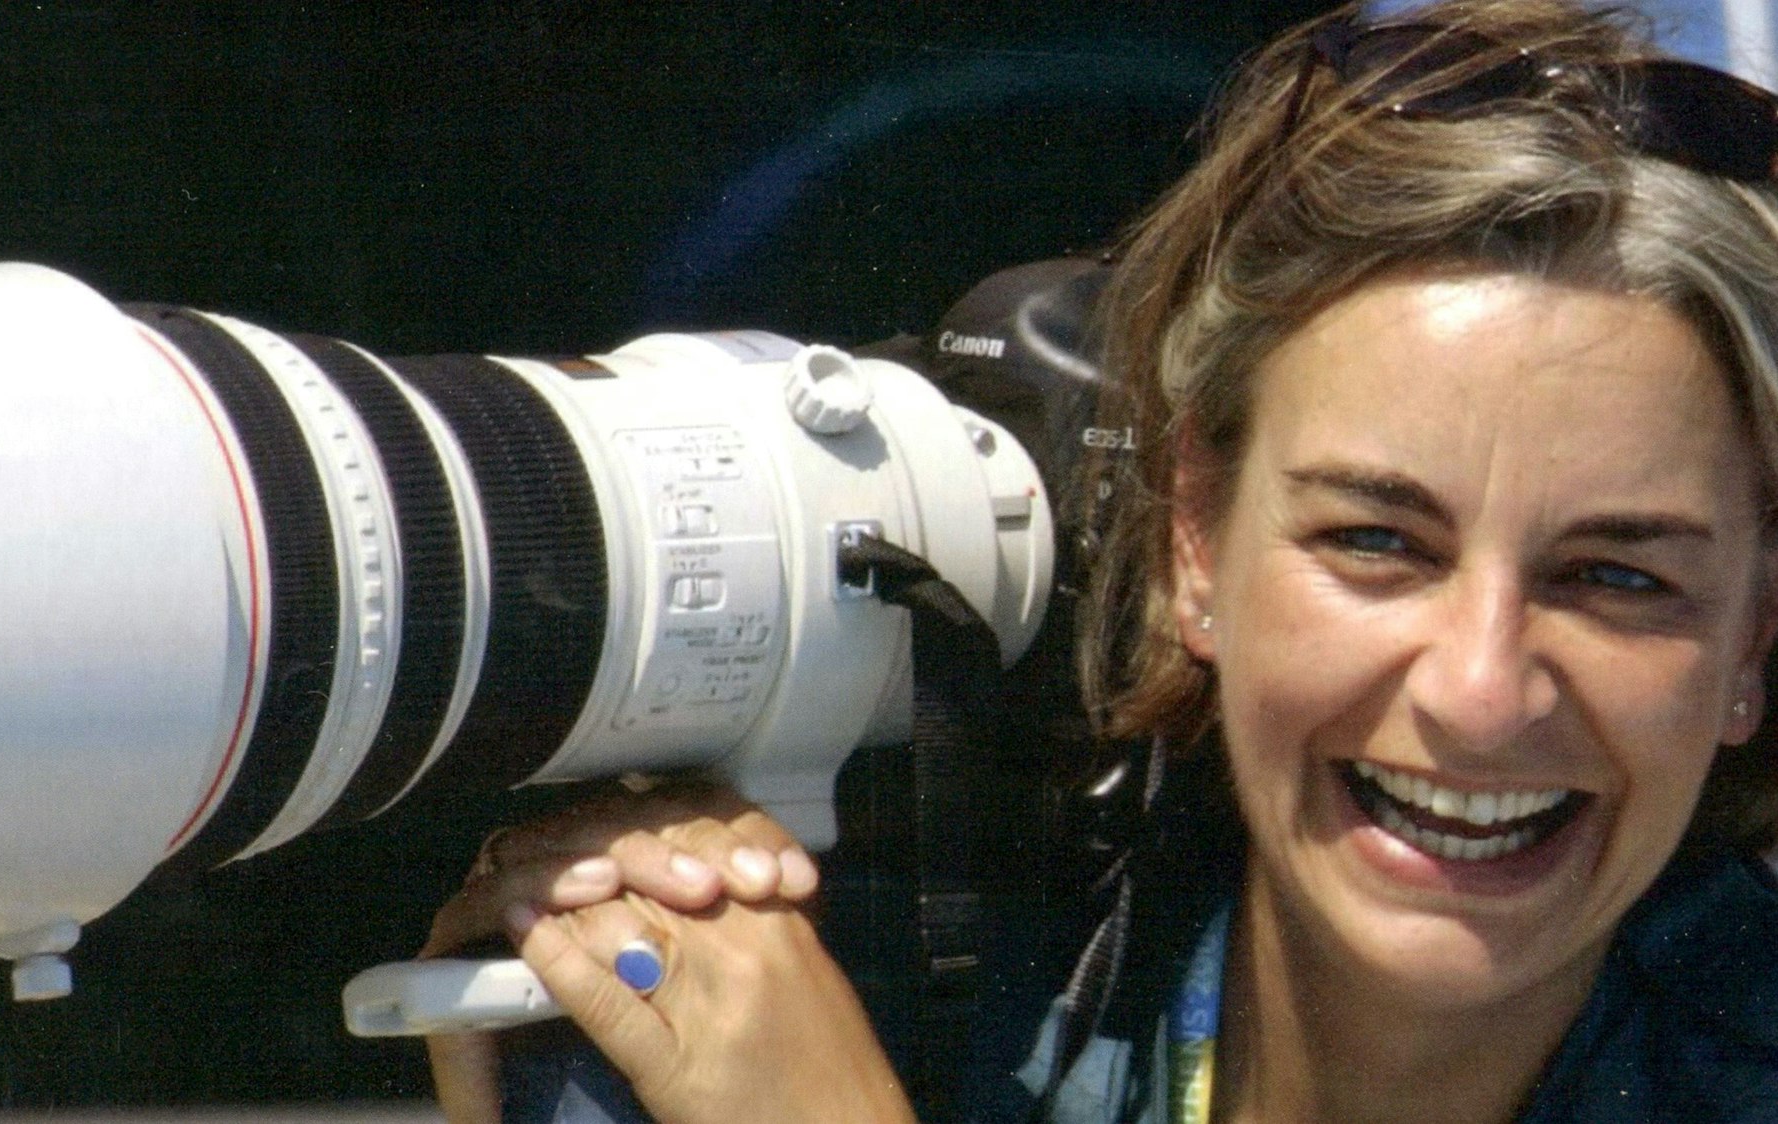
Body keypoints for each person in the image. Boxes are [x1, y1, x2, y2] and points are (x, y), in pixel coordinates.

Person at [420, 0, 1778, 1119]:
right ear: (1195, 541)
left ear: (1750, 640)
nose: (1480, 694)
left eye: (1616, 577)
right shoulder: (910, 997)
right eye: (1375, 541)